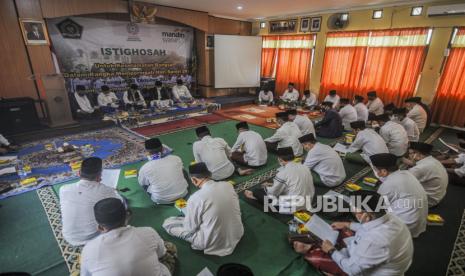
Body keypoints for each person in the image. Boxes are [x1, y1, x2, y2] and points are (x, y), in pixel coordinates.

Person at [293, 190, 413, 276]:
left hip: (368, 271)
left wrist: (331, 250)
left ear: (366, 214)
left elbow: (352, 270)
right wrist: (347, 224)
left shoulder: (375, 240)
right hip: (379, 258)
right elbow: (366, 226)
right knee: (342, 231)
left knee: (316, 258)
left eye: (355, 210)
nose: (353, 212)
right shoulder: (390, 217)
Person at [163, 163, 244, 256]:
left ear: (193, 180)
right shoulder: (227, 185)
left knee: (168, 223)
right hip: (237, 233)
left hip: (212, 242)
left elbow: (190, 228)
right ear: (209, 174)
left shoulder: (195, 198)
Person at [80, 198, 176, 276]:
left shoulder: (88, 250)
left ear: (100, 227)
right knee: (168, 247)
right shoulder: (148, 232)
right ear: (127, 216)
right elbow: (161, 253)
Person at [59, 157, 123, 246]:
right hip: (96, 237)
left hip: (70, 237)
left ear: (79, 173)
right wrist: (113, 192)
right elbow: (120, 204)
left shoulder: (63, 189)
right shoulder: (106, 190)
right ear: (99, 176)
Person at [370, 153, 428, 238]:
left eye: (375, 169)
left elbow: (376, 206)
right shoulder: (407, 174)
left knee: (365, 212)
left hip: (404, 229)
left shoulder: (388, 184)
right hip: (418, 224)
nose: (375, 172)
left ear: (384, 171)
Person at [244, 147, 314, 214]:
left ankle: (254, 197)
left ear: (280, 159)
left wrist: (266, 188)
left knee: (257, 192)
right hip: (308, 202)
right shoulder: (304, 167)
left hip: (292, 208)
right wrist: (271, 185)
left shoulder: (283, 173)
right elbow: (294, 183)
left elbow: (273, 193)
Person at [138, 138, 188, 204]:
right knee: (183, 170)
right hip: (183, 193)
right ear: (163, 148)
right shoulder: (176, 158)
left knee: (142, 178)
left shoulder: (144, 168)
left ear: (147, 152)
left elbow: (143, 184)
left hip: (160, 200)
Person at [403, 142, 448, 207]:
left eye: (410, 153)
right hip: (438, 195)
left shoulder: (420, 168)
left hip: (429, 201)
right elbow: (417, 164)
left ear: (418, 154)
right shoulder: (432, 160)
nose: (409, 156)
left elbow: (403, 180)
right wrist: (403, 159)